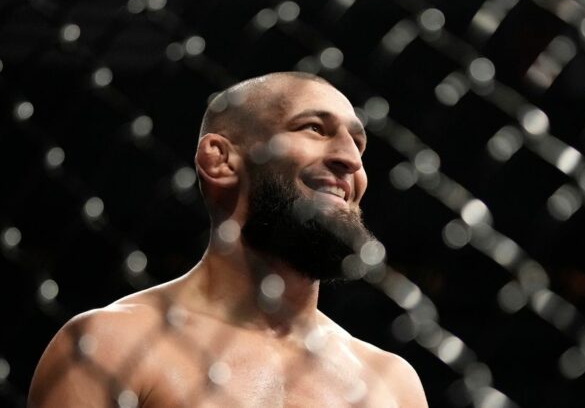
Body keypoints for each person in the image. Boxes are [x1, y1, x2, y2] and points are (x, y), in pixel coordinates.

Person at [28, 72, 428, 407]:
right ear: (220, 159)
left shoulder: (391, 384)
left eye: (358, 144)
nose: (350, 159)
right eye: (314, 128)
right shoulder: (107, 346)